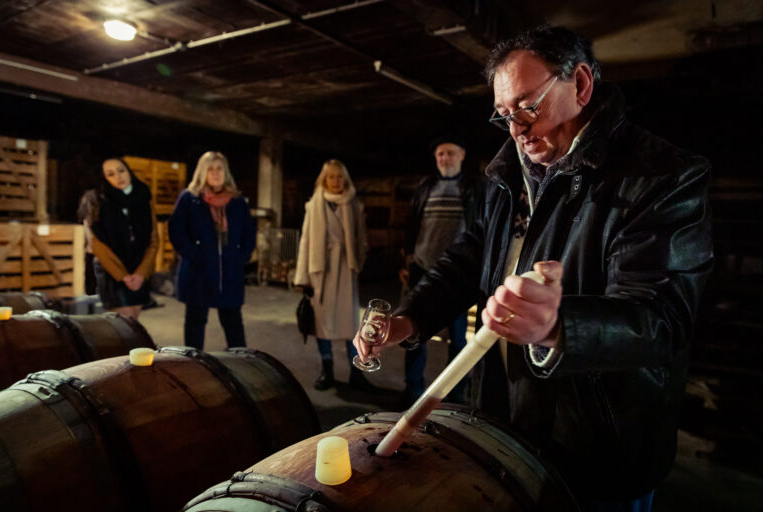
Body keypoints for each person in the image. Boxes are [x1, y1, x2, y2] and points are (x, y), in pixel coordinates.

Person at [354, 25, 713, 510]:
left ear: (580, 84)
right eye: (504, 115)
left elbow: (662, 320)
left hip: (595, 445)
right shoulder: (506, 174)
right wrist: (408, 320)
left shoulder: (660, 177)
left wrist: (559, 328)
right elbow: (468, 259)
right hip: (503, 422)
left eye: (527, 106)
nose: (517, 130)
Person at [401, 136, 486, 404]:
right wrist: (407, 257)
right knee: (413, 332)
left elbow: (480, 229)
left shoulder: (474, 186)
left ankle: (455, 395)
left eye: (450, 153)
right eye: (440, 154)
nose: (444, 158)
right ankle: (413, 389)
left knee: (458, 339)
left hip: (457, 274)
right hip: (422, 267)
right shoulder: (426, 186)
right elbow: (412, 223)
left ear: (462, 155)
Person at [294, 159, 370, 391]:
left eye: (339, 177)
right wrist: (302, 278)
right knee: (323, 323)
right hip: (321, 270)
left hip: (346, 268)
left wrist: (357, 263)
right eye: (331, 177)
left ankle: (356, 372)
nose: (335, 181)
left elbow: (362, 239)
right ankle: (327, 370)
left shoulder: (354, 205)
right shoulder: (313, 205)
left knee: (351, 324)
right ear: (324, 180)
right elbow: (306, 241)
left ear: (345, 179)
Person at [168, 151, 256, 350]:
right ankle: (194, 361)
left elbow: (249, 233)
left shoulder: (237, 201)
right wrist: (194, 254)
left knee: (233, 320)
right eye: (210, 169)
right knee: (195, 320)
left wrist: (241, 256)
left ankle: (239, 360)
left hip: (229, 270)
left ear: (226, 172)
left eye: (219, 169)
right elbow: (176, 231)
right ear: (202, 172)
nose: (215, 173)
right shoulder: (190, 199)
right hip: (198, 270)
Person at [82, 158, 158, 320]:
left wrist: (141, 273)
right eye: (111, 174)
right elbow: (96, 242)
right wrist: (122, 276)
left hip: (138, 269)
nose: (118, 176)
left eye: (121, 170)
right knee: (124, 323)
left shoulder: (143, 197)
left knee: (133, 321)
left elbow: (153, 239)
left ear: (129, 172)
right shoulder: (96, 200)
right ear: (104, 178)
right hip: (112, 271)